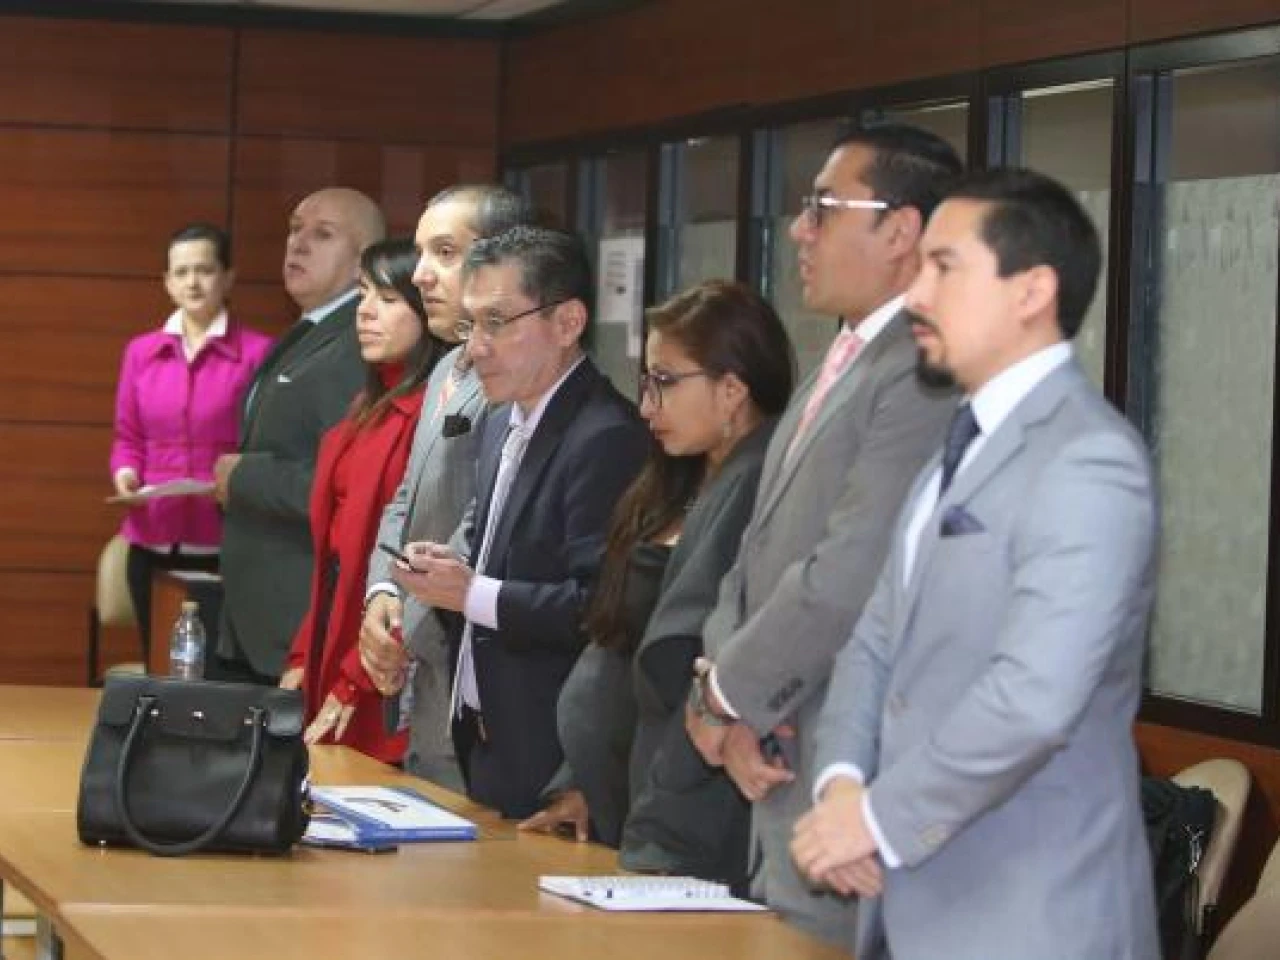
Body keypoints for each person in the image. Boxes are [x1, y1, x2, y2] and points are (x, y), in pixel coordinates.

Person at [791, 168, 1160, 960]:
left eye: (944, 268)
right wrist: (842, 783)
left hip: (1031, 918)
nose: (917, 295)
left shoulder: (1089, 460)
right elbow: (874, 641)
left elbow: (1033, 699)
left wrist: (877, 818)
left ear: (1032, 291)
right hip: (908, 907)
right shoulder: (959, 445)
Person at [684, 124, 960, 944]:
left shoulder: (922, 370)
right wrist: (723, 697)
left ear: (901, 230)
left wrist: (723, 697)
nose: (800, 231)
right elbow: (752, 557)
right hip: (776, 750)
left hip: (847, 770)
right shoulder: (844, 355)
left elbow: (850, 569)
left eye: (824, 209)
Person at [518, 281, 794, 890]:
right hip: (619, 797)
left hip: (692, 817)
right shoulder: (672, 481)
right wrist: (581, 779)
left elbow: (693, 663)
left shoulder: (758, 489)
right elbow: (614, 639)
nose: (646, 406)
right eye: (645, 382)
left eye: (665, 382)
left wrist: (663, 823)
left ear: (732, 388)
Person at [390, 225, 649, 819]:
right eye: (470, 325)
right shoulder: (498, 422)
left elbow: (600, 608)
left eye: (498, 322)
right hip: (483, 741)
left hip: (555, 757)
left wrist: (471, 594)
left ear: (568, 322)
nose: (477, 348)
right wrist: (451, 573)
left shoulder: (605, 436)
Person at [358, 185, 535, 789]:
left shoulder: (510, 382)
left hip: (464, 660)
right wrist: (380, 593)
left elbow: (478, 525)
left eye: (446, 253)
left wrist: (402, 629)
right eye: (421, 253)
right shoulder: (444, 367)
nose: (422, 275)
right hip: (419, 660)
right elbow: (405, 498)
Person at [278, 238, 445, 763]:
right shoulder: (365, 407)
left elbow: (413, 557)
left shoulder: (429, 417)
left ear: (426, 313)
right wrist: (304, 653)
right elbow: (331, 556)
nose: (366, 311)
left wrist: (355, 676)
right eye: (364, 293)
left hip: (384, 660)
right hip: (333, 631)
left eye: (389, 299)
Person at [214, 187, 385, 685]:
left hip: (299, 621)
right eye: (294, 229)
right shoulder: (307, 333)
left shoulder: (357, 344)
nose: (298, 244)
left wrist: (245, 478)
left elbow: (349, 485)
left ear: (363, 262)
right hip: (260, 620)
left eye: (323, 234)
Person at [109, 223, 273, 656]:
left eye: (204, 270)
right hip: (151, 539)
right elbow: (128, 437)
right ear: (167, 281)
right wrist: (126, 475)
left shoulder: (258, 353)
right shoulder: (141, 352)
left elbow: (262, 445)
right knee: (158, 668)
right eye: (181, 272)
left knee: (215, 673)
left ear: (228, 277)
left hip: (222, 540)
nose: (193, 282)